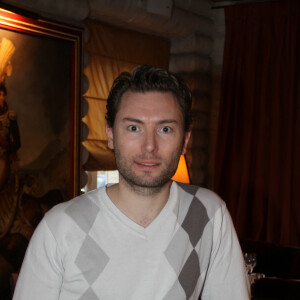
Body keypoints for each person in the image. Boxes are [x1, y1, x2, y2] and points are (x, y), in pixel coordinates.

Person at [13, 65, 250, 299]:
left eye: (165, 129)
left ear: (185, 140)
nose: (149, 146)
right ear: (110, 135)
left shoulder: (209, 214)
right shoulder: (60, 228)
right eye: (134, 127)